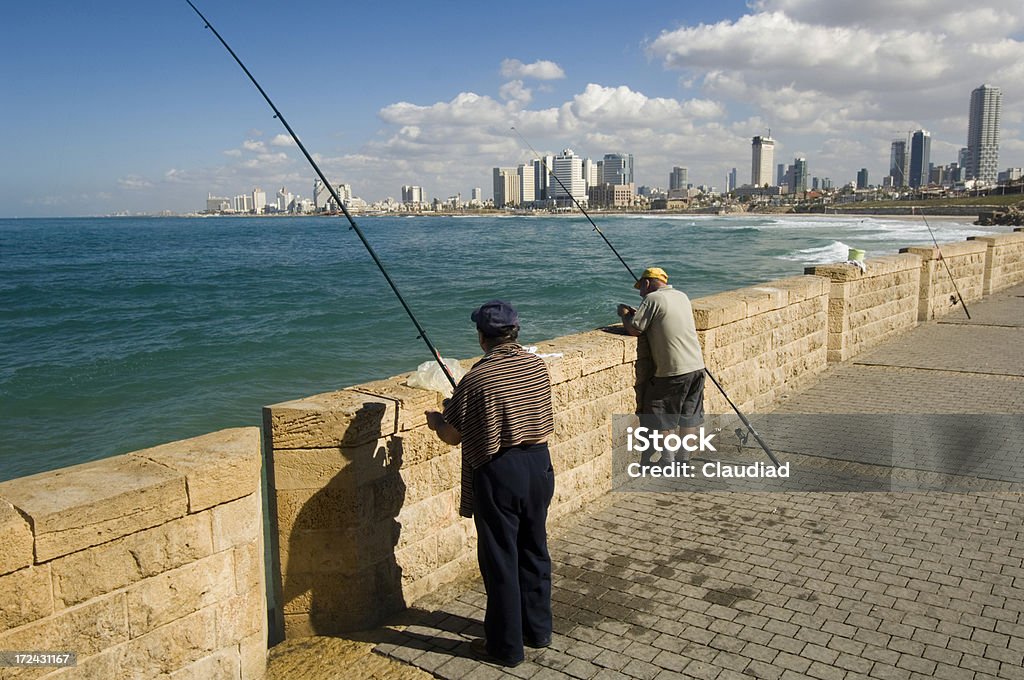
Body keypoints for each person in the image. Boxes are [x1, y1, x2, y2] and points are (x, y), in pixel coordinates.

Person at [424, 300, 555, 668]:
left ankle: (505, 647)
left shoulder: (478, 378)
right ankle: (538, 630)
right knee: (534, 549)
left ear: (482, 337)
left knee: (500, 559)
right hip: (540, 466)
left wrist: (437, 420)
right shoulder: (537, 365)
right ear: (515, 332)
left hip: (502, 474)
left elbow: (453, 435)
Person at [616, 267, 706, 464]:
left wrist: (624, 314)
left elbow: (634, 330)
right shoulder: (682, 296)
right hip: (697, 366)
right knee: (688, 415)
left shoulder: (652, 299)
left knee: (662, 413)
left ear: (648, 283)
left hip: (673, 370)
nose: (640, 293)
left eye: (641, 288)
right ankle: (684, 459)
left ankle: (668, 461)